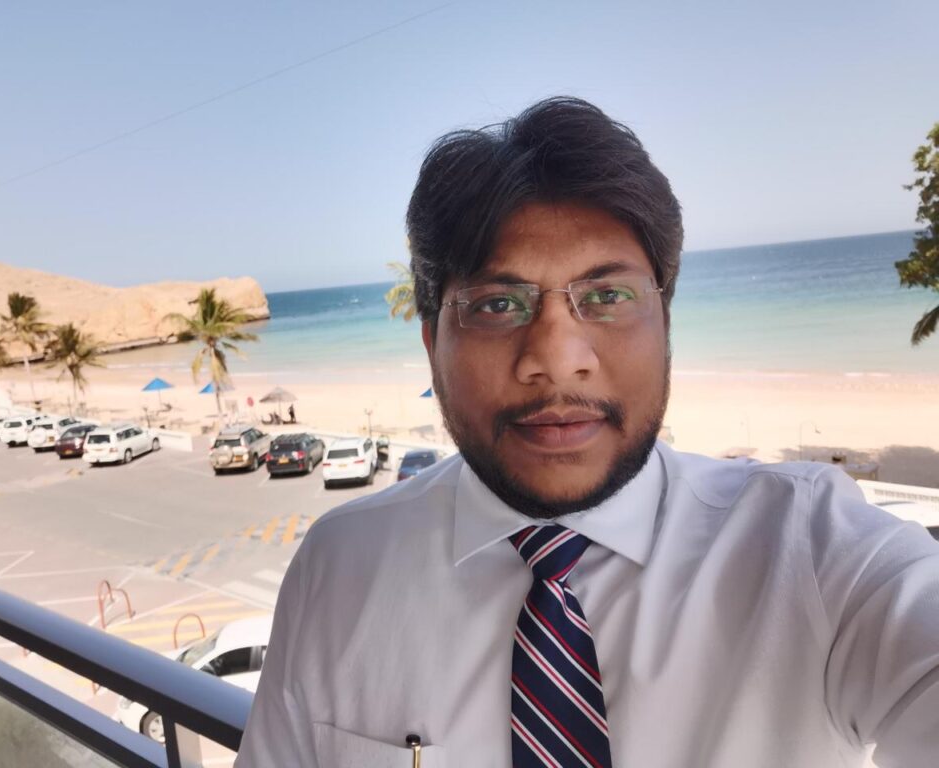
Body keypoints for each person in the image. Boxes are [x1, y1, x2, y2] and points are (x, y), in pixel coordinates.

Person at [235, 99, 939, 767]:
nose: (555, 357)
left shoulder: (811, 547)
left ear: (666, 323)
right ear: (430, 343)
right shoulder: (341, 567)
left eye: (607, 296)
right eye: (497, 304)